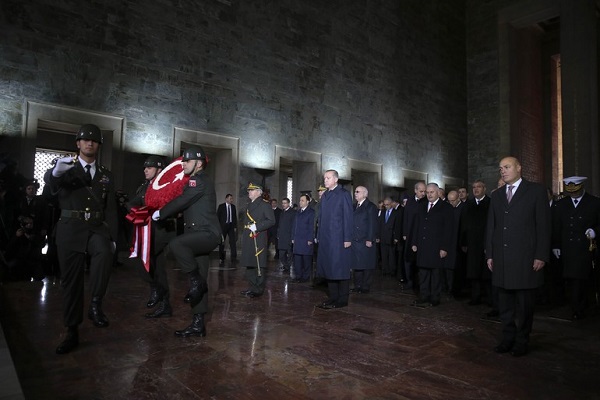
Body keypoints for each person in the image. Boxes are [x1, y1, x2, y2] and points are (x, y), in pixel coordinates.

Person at [46, 124, 118, 355]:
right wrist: (56, 172)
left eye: (94, 141)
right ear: (78, 143)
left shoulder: (106, 174)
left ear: (98, 145)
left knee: (104, 253)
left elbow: (111, 209)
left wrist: (114, 237)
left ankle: (95, 303)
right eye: (85, 140)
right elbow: (51, 185)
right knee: (72, 281)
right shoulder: (64, 168)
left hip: (96, 228)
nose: (90, 143)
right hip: (70, 229)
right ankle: (71, 330)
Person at [151, 146, 222, 337]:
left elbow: (182, 200)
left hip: (207, 234)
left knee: (176, 244)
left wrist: (161, 212)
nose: (183, 164)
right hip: (198, 235)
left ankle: (196, 281)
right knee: (200, 278)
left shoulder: (198, 181)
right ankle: (198, 323)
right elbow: (189, 205)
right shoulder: (196, 181)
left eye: (187, 161)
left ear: (198, 164)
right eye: (183, 161)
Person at [486, 156, 550, 357]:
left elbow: (544, 226)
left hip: (526, 258)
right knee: (505, 305)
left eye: (507, 167)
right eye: (500, 168)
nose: (502, 171)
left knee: (524, 306)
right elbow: (491, 227)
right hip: (502, 259)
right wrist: (490, 253)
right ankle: (508, 338)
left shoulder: (536, 191)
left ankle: (522, 341)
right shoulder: (496, 195)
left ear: (519, 168)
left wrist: (541, 254)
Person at [127, 155, 177, 318]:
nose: (145, 170)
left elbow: (170, 207)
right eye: (144, 168)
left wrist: (155, 212)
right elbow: (132, 202)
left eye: (149, 167)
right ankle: (161, 297)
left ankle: (160, 296)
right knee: (149, 265)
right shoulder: (144, 187)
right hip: (146, 232)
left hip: (161, 232)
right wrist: (137, 211)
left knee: (152, 263)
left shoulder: (166, 187)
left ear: (159, 170)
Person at [551, 176, 600, 320]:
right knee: (571, 279)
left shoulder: (594, 202)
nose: (573, 194)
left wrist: (595, 231)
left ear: (582, 187)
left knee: (582, 279)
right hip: (567, 248)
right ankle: (576, 306)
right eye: (570, 192)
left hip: (586, 248)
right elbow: (556, 227)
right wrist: (556, 245)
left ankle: (580, 308)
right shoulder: (560, 205)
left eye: (575, 191)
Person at [411, 183, 454, 306]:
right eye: (427, 192)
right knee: (423, 273)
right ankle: (424, 296)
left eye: (432, 192)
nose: (429, 194)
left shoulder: (446, 207)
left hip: (437, 247)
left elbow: (448, 230)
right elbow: (417, 225)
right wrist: (414, 242)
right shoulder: (422, 206)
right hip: (423, 246)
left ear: (438, 193)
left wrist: (444, 247)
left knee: (435, 274)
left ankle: (435, 298)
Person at [316, 170, 353, 309]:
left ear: (336, 179)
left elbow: (348, 217)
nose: (325, 180)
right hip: (326, 238)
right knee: (329, 268)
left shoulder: (343, 194)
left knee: (340, 268)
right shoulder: (325, 195)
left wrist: (347, 238)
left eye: (328, 178)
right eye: (324, 177)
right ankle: (333, 297)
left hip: (339, 238)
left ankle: (342, 299)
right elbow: (321, 218)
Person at [461, 180, 496, 314]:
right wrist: (463, 242)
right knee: (473, 271)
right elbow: (464, 224)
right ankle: (475, 296)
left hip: (485, 242)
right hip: (472, 243)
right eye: (474, 187)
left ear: (484, 188)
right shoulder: (468, 204)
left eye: (479, 187)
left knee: (487, 272)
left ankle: (490, 298)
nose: (476, 189)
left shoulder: (490, 203)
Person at [240, 183, 275, 297]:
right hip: (248, 236)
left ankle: (258, 289)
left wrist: (257, 227)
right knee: (249, 262)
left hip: (257, 237)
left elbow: (271, 221)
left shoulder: (265, 205)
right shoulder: (249, 204)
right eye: (249, 190)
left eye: (252, 190)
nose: (249, 192)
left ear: (258, 192)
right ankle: (252, 286)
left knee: (258, 263)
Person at [351, 186, 378, 293]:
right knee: (357, 264)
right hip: (355, 239)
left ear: (365, 194)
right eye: (355, 192)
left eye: (358, 192)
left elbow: (372, 224)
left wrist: (370, 239)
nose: (355, 193)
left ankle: (365, 286)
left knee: (366, 264)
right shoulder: (354, 206)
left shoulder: (371, 207)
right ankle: (357, 285)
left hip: (365, 240)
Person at [401, 181, 426, 291]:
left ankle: (420, 282)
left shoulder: (426, 202)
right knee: (408, 259)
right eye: (421, 191)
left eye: (425, 191)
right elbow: (405, 218)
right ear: (415, 191)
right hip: (410, 235)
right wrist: (405, 233)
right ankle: (409, 281)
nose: (423, 193)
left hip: (422, 235)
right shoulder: (410, 202)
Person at [291, 194, 315, 283]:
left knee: (306, 260)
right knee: (297, 260)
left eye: (302, 200)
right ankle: (298, 276)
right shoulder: (297, 212)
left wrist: (310, 239)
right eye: (300, 200)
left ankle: (305, 277)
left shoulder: (311, 212)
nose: (300, 202)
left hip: (306, 240)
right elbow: (294, 226)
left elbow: (311, 227)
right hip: (297, 239)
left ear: (307, 202)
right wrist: (293, 237)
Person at [377, 197, 401, 277]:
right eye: (385, 205)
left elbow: (398, 226)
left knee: (391, 255)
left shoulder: (396, 213)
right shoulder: (383, 212)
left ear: (391, 204)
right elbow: (379, 224)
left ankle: (391, 270)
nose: (386, 206)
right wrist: (378, 236)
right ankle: (385, 269)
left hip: (391, 237)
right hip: (383, 237)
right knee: (384, 255)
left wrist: (396, 237)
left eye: (387, 205)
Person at [217, 193, 238, 263]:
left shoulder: (233, 207)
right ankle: (221, 257)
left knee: (233, 241)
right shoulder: (221, 206)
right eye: (230, 198)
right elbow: (218, 217)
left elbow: (234, 217)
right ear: (226, 199)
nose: (231, 200)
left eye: (232, 198)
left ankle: (234, 257)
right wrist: (218, 227)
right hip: (223, 227)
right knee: (222, 242)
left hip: (231, 226)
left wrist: (235, 227)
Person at [277, 198, 296, 272]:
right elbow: (280, 224)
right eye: (282, 203)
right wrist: (278, 234)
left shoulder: (293, 212)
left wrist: (292, 237)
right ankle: (286, 265)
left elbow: (294, 225)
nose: (283, 204)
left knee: (289, 254)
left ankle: (288, 267)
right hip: (281, 236)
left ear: (288, 203)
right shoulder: (282, 212)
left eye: (285, 203)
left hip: (288, 236)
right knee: (281, 254)